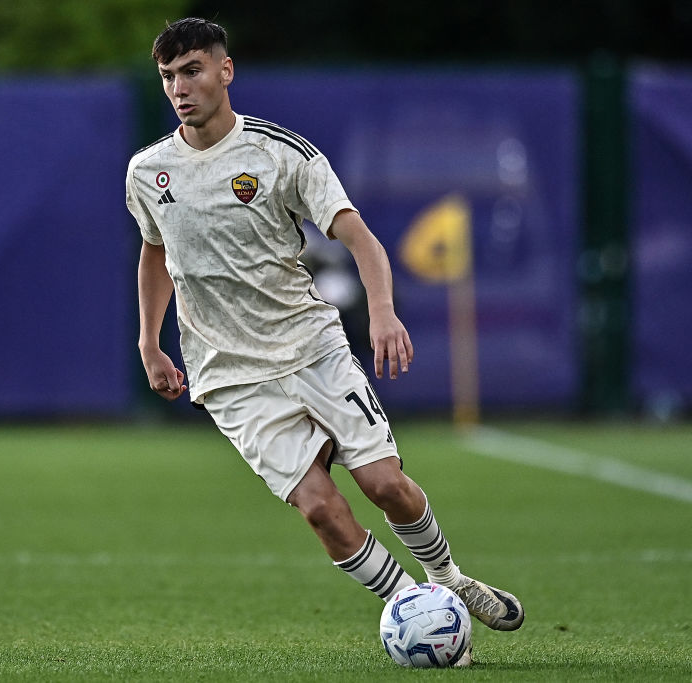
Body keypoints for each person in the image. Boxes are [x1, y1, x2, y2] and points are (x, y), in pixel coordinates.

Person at [126, 17, 524, 659]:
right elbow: (153, 252)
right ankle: (411, 610)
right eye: (169, 76)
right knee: (319, 508)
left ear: (225, 72)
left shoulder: (282, 154)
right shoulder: (149, 172)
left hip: (312, 347)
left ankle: (448, 580)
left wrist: (386, 312)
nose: (180, 87)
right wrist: (149, 341)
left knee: (385, 485)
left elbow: (360, 239)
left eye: (192, 70)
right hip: (229, 373)